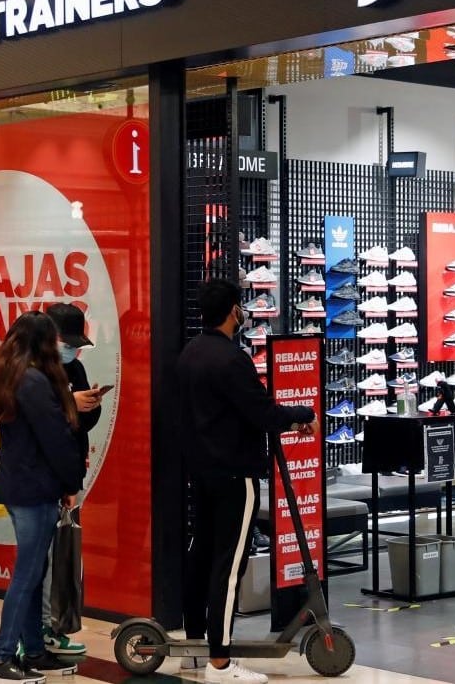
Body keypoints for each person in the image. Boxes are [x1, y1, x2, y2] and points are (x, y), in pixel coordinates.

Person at [177, 278, 317, 684]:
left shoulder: (189, 354)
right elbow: (262, 413)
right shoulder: (230, 359)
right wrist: (302, 415)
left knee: (200, 557)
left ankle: (194, 645)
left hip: (201, 472)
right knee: (229, 564)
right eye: (241, 307)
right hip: (234, 475)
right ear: (234, 310)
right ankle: (220, 663)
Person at [0, 311, 88, 683]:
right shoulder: (35, 381)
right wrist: (71, 482)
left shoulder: (11, 373)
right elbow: (55, 438)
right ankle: (3, 656)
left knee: (33, 572)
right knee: (27, 574)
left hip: (20, 487)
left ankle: (35, 653)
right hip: (36, 489)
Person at [36, 303, 106, 656]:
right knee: (37, 562)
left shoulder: (74, 367)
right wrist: (69, 404)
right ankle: (34, 634)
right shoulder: (31, 373)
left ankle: (52, 626)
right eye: (68, 342)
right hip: (40, 480)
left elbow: (78, 427)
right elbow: (42, 426)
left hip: (67, 475)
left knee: (60, 557)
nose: (73, 351)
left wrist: (89, 405)